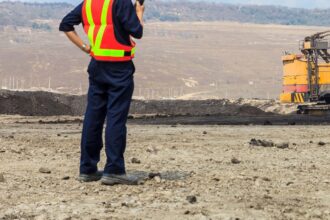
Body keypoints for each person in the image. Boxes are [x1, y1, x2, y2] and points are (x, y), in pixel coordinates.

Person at [59, 0, 145, 185]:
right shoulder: (121, 2)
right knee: (116, 118)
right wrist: (139, 11)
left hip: (97, 65)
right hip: (119, 68)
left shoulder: (88, 3)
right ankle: (114, 169)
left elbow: (65, 24)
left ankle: (87, 169)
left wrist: (85, 47)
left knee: (93, 116)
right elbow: (137, 31)